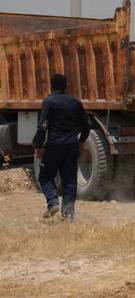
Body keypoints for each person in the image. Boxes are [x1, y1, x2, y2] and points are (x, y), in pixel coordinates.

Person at [33, 73, 91, 220]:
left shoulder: (49, 101)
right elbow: (86, 125)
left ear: (51, 86)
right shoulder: (75, 102)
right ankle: (68, 212)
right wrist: (82, 141)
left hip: (54, 146)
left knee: (45, 175)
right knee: (70, 179)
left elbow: (43, 126)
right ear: (66, 86)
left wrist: (38, 145)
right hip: (72, 146)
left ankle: (53, 202)